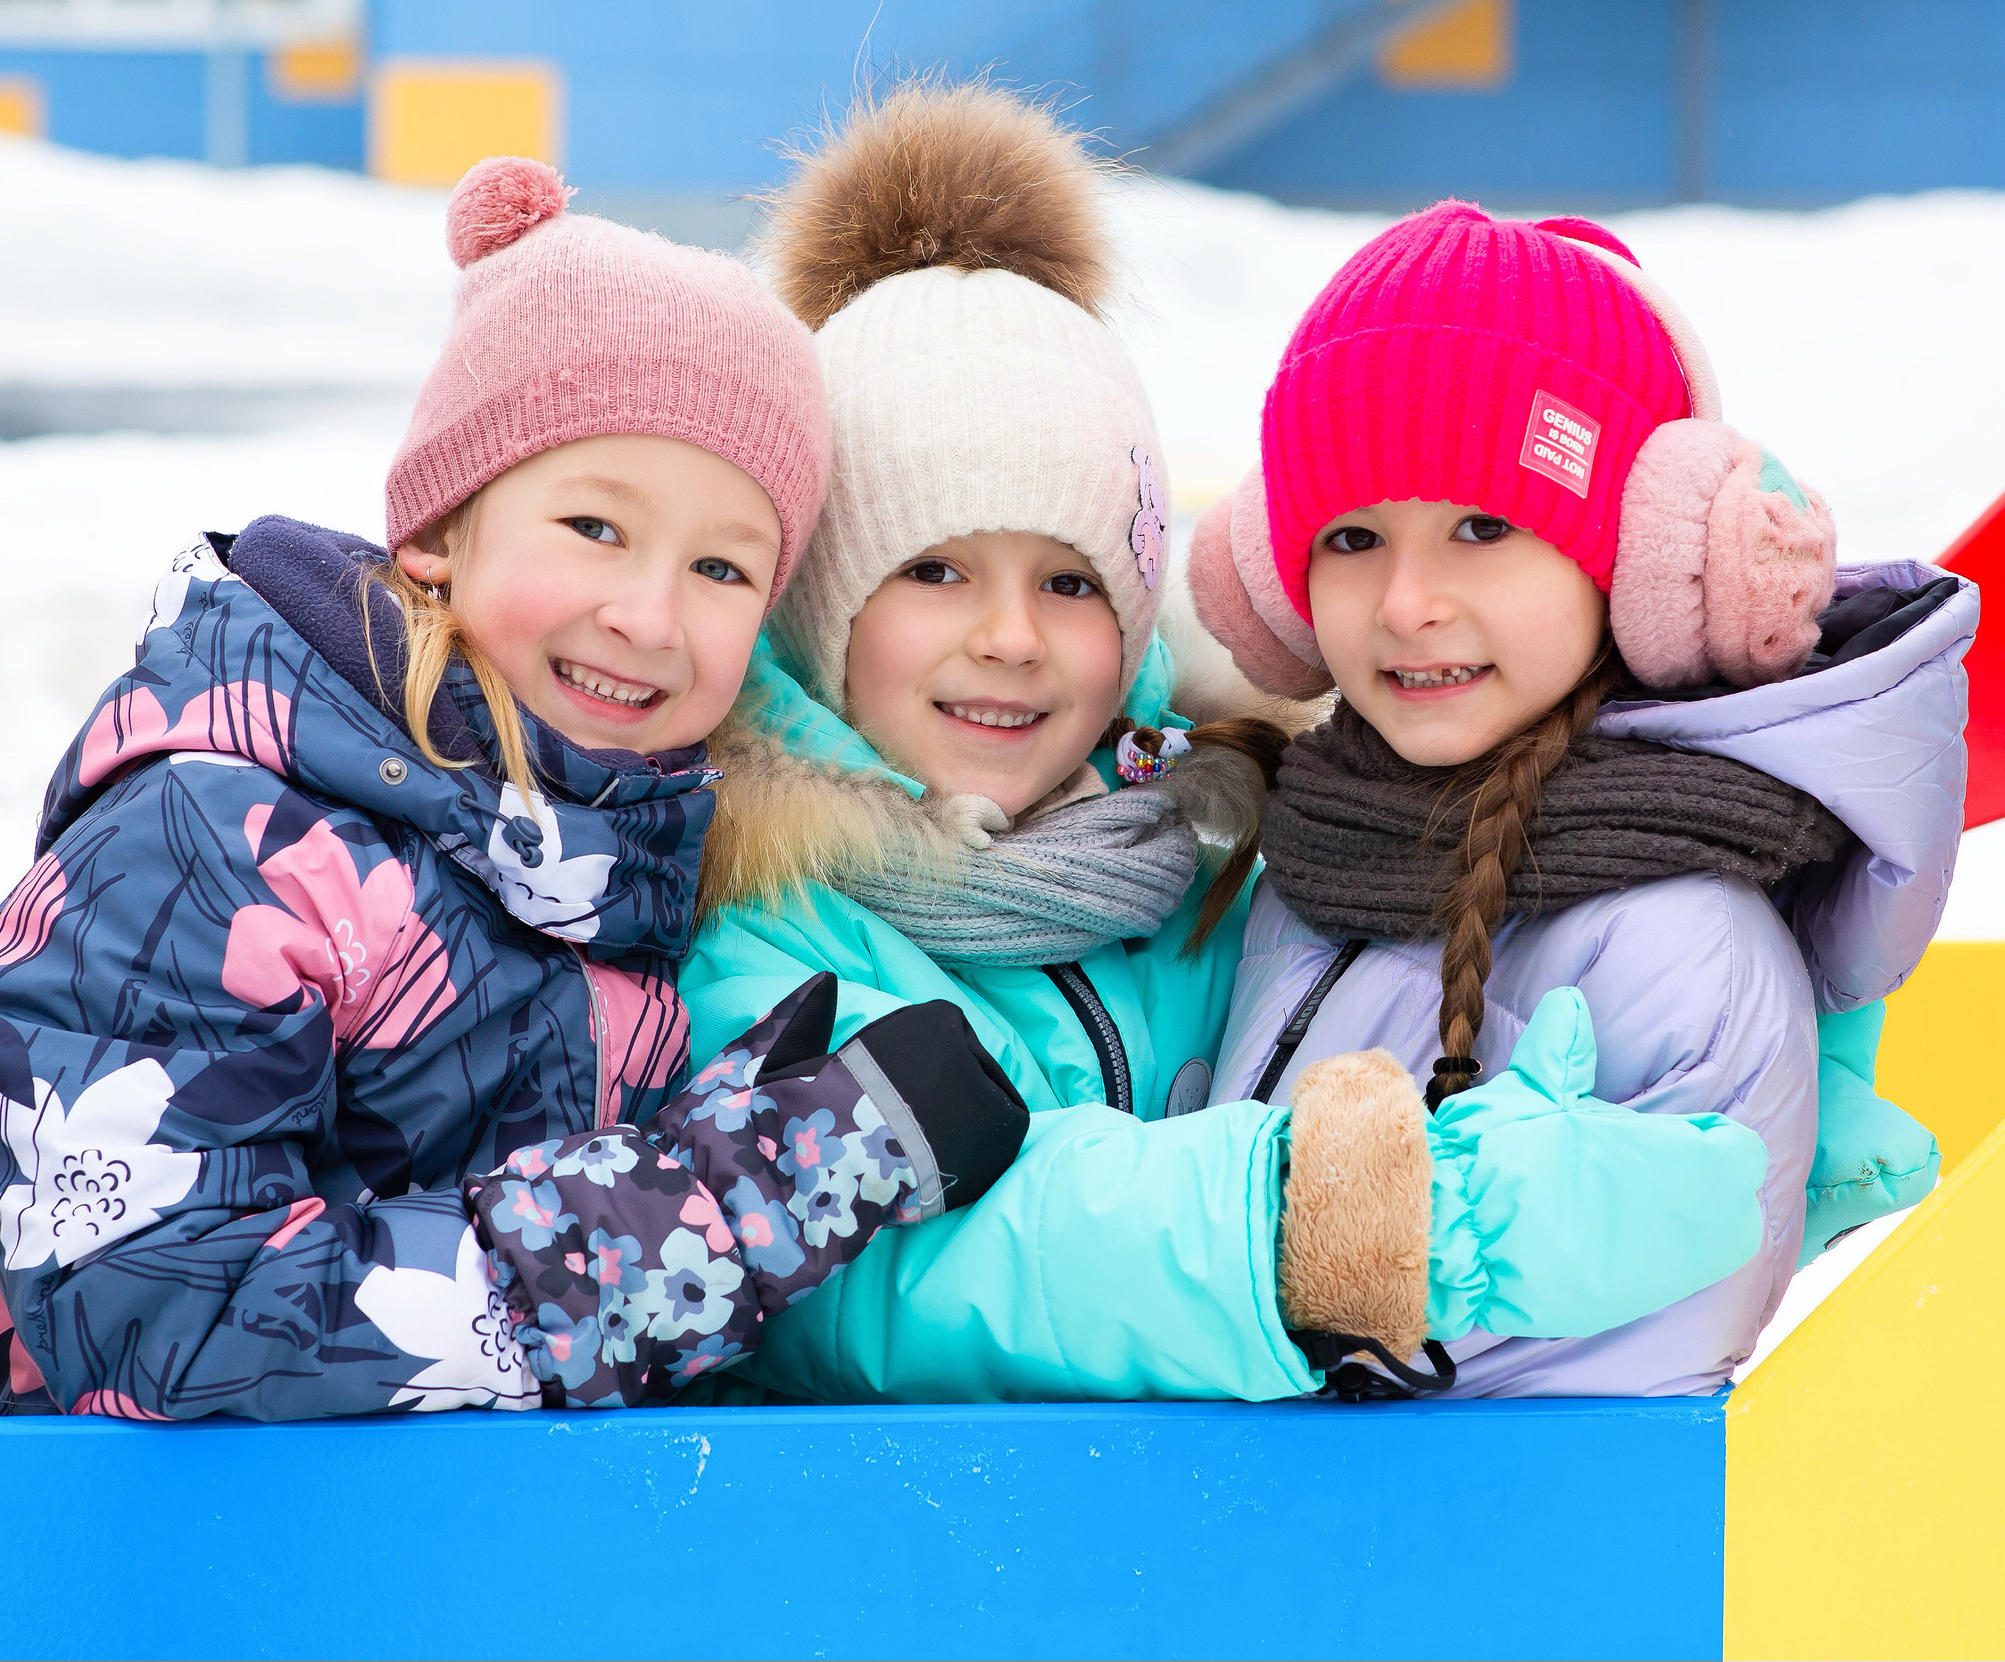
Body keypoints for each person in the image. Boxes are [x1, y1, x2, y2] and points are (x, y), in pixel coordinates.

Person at [677, 86, 1769, 1407]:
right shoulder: (754, 925)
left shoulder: (1217, 869)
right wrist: (1300, 1224)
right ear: (817, 604)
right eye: (935, 568)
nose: (1013, 637)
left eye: (1072, 582)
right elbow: (895, 1272)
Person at [0, 157, 1026, 1421]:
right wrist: (762, 1185)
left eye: (721, 566)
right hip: (172, 1592)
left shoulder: (602, 856)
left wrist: (734, 1118)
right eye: (594, 529)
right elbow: (183, 1329)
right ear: (441, 528)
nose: (649, 615)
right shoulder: (219, 846)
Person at [1189, 199, 1969, 1395]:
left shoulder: (1678, 946)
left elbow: (1582, 1370)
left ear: (1651, 563)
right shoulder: (1320, 853)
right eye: (1350, 537)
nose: (1405, 604)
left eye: (1482, 527)